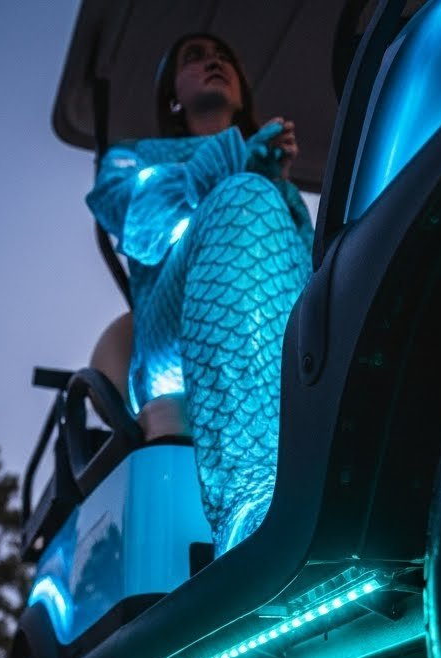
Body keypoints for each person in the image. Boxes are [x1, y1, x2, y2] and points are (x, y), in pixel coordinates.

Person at [86, 33, 313, 556]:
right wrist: (232, 165)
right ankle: (249, 509)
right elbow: (137, 226)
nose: (214, 61)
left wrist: (272, 182)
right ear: (172, 96)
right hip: (172, 336)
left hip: (273, 333)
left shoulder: (271, 178)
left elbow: (304, 270)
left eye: (225, 57)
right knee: (242, 198)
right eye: (195, 58)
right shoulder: (135, 158)